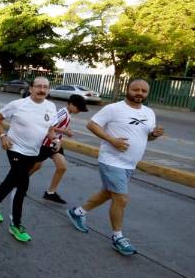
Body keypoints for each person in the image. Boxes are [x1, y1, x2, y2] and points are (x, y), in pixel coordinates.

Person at [67, 80, 164, 256]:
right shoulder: (114, 108)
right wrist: (112, 140)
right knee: (121, 199)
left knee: (107, 193)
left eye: (143, 90)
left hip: (130, 163)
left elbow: (146, 138)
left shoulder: (149, 112)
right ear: (128, 89)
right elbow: (92, 124)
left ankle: (77, 212)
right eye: (136, 89)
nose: (139, 93)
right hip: (111, 160)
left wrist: (153, 135)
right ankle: (118, 237)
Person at [0, 77, 58, 242]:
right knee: (22, 185)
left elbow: (50, 128)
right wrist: (2, 136)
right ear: (31, 88)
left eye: (45, 87)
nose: (42, 90)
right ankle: (15, 225)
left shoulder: (51, 106)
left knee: (12, 179)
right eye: (38, 86)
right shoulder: (18, 105)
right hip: (14, 148)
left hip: (33, 152)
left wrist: (54, 139)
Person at [30, 94, 89, 204]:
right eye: (78, 108)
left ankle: (50, 193)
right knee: (36, 166)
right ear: (70, 104)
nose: (79, 111)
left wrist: (65, 131)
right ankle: (17, 182)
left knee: (62, 167)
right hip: (47, 144)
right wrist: (65, 131)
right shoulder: (62, 113)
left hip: (55, 144)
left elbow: (58, 127)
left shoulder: (68, 114)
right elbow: (48, 126)